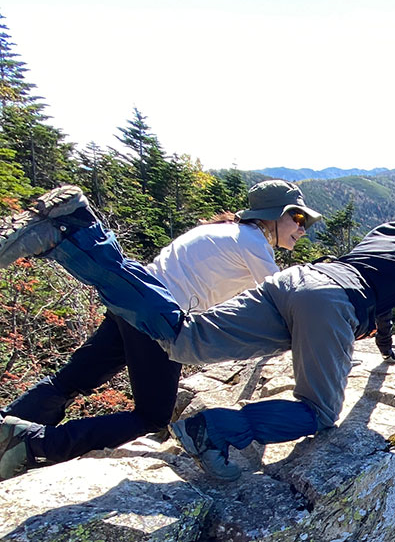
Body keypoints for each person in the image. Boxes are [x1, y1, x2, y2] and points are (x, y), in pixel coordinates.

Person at [0, 173, 395, 481]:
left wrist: (386, 345)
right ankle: (212, 430)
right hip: (331, 302)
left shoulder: (386, 231)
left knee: (185, 339)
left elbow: (380, 292)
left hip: (302, 283)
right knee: (318, 412)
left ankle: (78, 234)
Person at [0, 180, 322, 479]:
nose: (301, 228)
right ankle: (36, 445)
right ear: (272, 215)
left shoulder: (227, 231)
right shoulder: (254, 243)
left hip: (133, 307)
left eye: (304, 222)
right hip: (158, 318)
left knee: (70, 381)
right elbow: (283, 301)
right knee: (152, 416)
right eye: (297, 218)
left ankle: (8, 429)